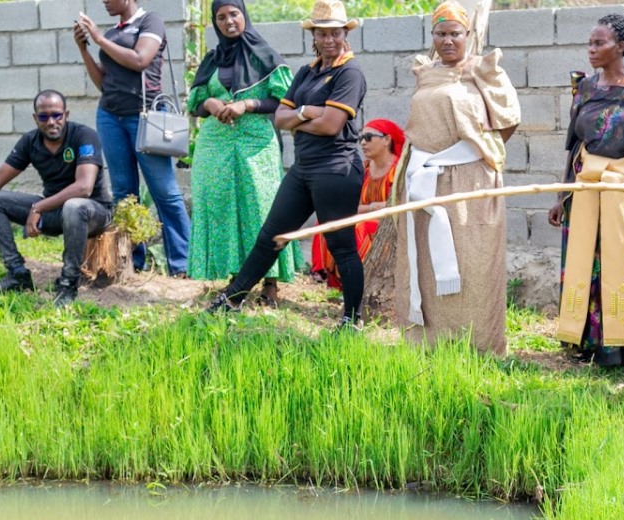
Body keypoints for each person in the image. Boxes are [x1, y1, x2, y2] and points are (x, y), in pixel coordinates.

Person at [206, 0, 368, 328]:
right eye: (322, 34)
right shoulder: (308, 72)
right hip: (304, 167)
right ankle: (232, 299)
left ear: (344, 34)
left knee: (341, 245)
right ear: (314, 37)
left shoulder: (350, 73)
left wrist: (301, 117)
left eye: (335, 33)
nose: (329, 40)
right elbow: (279, 118)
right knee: (272, 235)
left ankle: (353, 319)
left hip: (337, 168)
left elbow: (331, 126)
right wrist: (308, 113)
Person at [394, 1, 520, 355]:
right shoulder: (425, 71)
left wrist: (475, 152)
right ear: (432, 36)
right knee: (427, 262)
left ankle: (479, 345)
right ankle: (429, 341)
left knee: (474, 263)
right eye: (441, 33)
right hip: (423, 181)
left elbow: (508, 120)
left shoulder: (483, 69)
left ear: (468, 35)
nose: (448, 41)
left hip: (469, 181)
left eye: (455, 34)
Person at [547, 13, 624, 374]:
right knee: (588, 264)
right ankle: (588, 343)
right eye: (590, 43)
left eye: (599, 43)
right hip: (585, 193)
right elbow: (576, 147)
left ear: (621, 46)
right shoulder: (584, 88)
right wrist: (561, 195)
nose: (591, 49)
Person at [0, 91, 113, 308]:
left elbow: (84, 187)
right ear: (36, 118)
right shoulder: (30, 141)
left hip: (93, 212)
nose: (51, 121)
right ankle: (17, 273)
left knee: (73, 206)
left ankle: (68, 282)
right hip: (55, 210)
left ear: (66, 114)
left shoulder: (84, 136)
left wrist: (39, 206)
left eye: (57, 115)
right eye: (44, 117)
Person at [187, 0, 299, 305]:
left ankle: (271, 282)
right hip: (215, 144)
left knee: (262, 208)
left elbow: (286, 102)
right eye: (221, 17)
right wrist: (209, 104)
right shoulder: (211, 59)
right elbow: (194, 103)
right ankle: (237, 276)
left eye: (234, 14)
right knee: (224, 207)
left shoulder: (265, 56)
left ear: (244, 16)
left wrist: (247, 104)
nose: (228, 21)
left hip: (255, 143)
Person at [74, 0, 192, 277]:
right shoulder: (114, 32)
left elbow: (140, 60)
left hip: (145, 117)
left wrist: (99, 38)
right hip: (110, 116)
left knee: (164, 191)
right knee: (124, 193)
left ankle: (183, 262)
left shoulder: (150, 21)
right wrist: (85, 49)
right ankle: (131, 260)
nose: (103, 1)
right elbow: (104, 83)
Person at [312, 118, 404, 290]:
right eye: (360, 138)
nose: (363, 143)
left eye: (369, 137)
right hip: (365, 217)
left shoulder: (399, 169)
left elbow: (401, 203)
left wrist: (371, 209)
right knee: (324, 222)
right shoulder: (363, 169)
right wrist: (371, 207)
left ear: (387, 140)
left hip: (392, 223)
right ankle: (326, 274)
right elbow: (348, 205)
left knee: (358, 227)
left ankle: (358, 280)